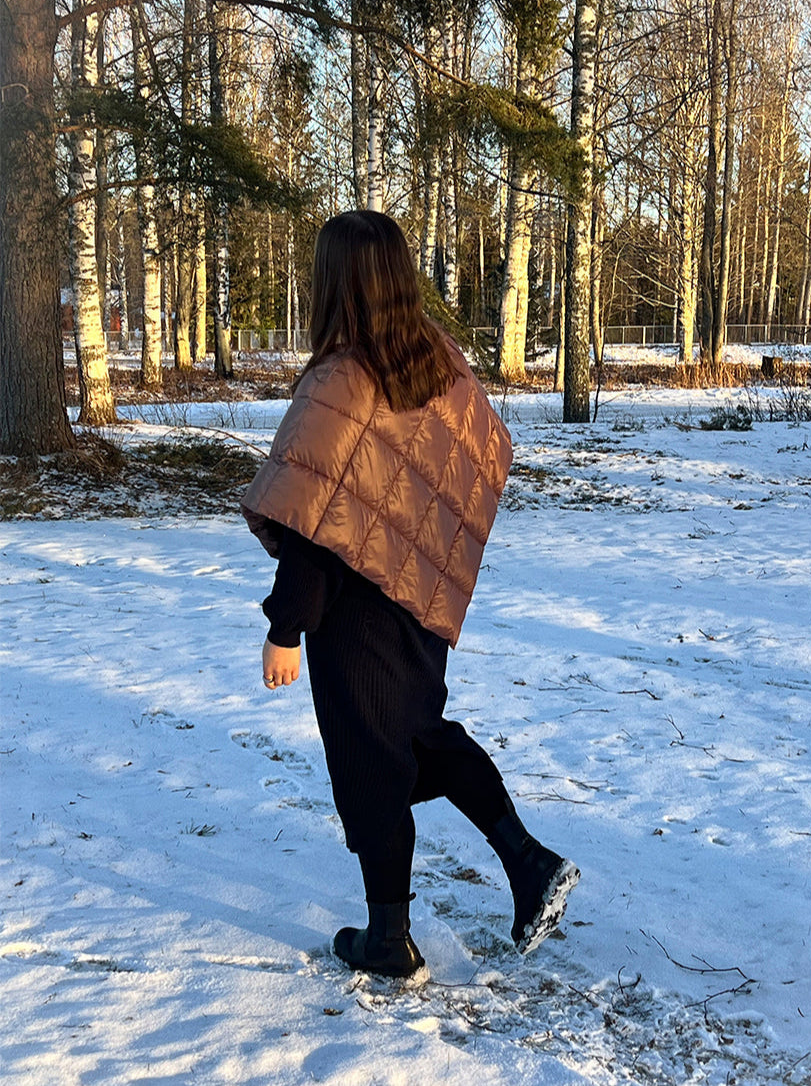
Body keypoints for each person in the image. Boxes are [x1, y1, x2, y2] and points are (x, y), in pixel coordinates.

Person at [241, 210, 578, 981]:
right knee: (419, 738)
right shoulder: (438, 362)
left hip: (355, 610)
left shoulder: (340, 379)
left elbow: (313, 520)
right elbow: (480, 454)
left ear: (335, 283)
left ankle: (390, 937)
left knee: (371, 762)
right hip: (418, 598)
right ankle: (528, 863)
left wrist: (286, 627)